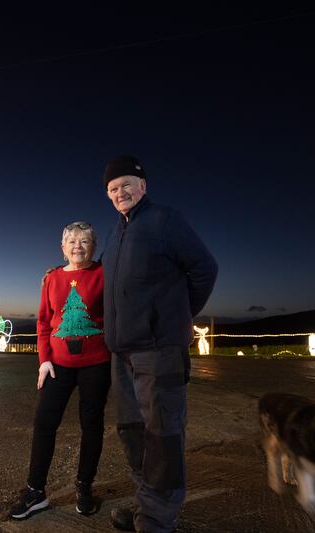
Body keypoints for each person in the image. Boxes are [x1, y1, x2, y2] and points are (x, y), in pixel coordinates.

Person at [101, 155, 218, 532]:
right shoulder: (115, 232)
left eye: (126, 185)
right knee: (132, 431)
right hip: (122, 351)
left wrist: (177, 317)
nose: (121, 193)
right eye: (113, 188)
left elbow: (205, 269)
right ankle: (145, 504)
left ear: (143, 186)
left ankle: (157, 519)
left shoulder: (166, 220)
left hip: (159, 350)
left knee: (163, 433)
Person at [9, 221, 112, 520]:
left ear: (93, 246)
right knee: (44, 423)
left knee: (91, 425)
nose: (78, 246)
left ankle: (84, 487)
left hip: (96, 362)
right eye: (72, 241)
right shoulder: (52, 278)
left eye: (85, 241)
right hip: (57, 364)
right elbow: (43, 322)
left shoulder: (104, 275)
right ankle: (36, 492)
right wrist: (44, 360)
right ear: (62, 247)